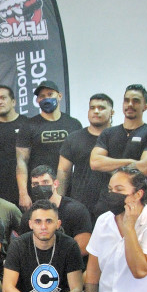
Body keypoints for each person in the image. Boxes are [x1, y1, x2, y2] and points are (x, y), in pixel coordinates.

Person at [89, 84, 147, 217]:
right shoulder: (108, 133)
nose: (130, 104)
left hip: (136, 204)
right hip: (105, 204)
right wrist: (130, 162)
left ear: (145, 106)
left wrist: (108, 163)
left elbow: (145, 167)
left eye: (136, 101)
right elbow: (95, 162)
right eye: (126, 100)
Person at [16, 80, 82, 209]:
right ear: (37, 101)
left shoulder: (74, 124)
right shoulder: (28, 126)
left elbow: (80, 159)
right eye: (42, 96)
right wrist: (23, 194)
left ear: (59, 96)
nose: (46, 98)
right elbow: (21, 161)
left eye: (50, 94)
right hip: (39, 188)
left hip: (70, 189)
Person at [57, 93, 114, 224]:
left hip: (112, 206)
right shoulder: (74, 138)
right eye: (92, 108)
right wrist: (59, 203)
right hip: (80, 205)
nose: (96, 111)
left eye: (101, 108)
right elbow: (63, 172)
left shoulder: (120, 137)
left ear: (112, 112)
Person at [18, 165, 92, 261]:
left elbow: (83, 247)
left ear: (55, 183)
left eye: (45, 182)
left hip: (70, 264)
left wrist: (55, 260)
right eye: (35, 184)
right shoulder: (28, 216)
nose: (40, 187)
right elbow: (24, 248)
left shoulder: (76, 210)